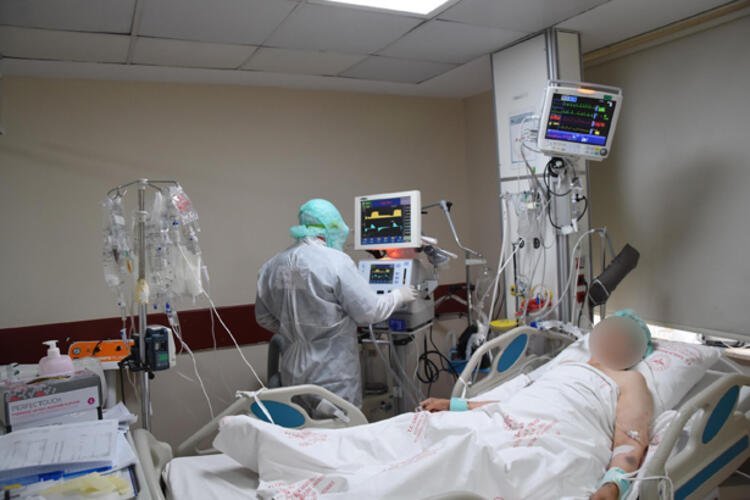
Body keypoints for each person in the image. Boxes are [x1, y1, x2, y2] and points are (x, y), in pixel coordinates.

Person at [422, 309, 655, 500]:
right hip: (509, 419)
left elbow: (630, 439)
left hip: (563, 436)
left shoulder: (629, 379)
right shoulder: (564, 364)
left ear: (635, 351)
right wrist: (457, 405)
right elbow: (517, 400)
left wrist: (613, 485)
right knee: (452, 452)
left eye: (624, 339)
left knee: (521, 473)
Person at [255, 198, 418, 408]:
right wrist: (398, 296)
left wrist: (296, 332)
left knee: (303, 426)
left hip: (292, 368)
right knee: (341, 424)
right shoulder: (336, 262)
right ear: (330, 229)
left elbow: (263, 317)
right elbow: (370, 312)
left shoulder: (271, 266)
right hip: (331, 371)